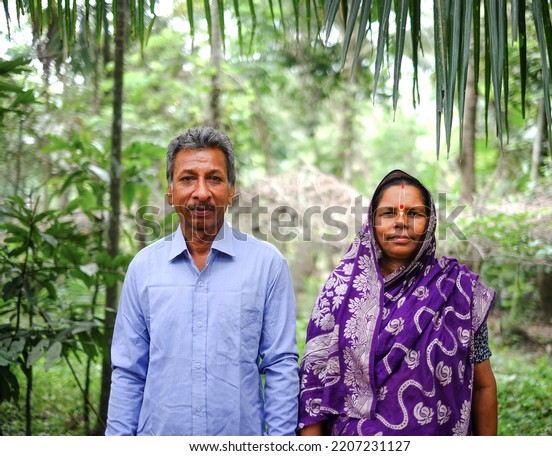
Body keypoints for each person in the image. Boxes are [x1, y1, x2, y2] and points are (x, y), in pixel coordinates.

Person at [106, 126, 299, 436]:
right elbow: (129, 372)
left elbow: (280, 366)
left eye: (214, 178)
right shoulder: (144, 268)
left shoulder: (267, 265)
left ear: (231, 190)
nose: (201, 192)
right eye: (187, 178)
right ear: (170, 192)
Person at [298, 169, 497, 436]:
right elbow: (314, 394)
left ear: (430, 222)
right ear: (373, 222)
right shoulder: (340, 292)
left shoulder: (457, 291)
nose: (401, 222)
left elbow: (484, 385)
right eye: (389, 213)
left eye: (414, 213)